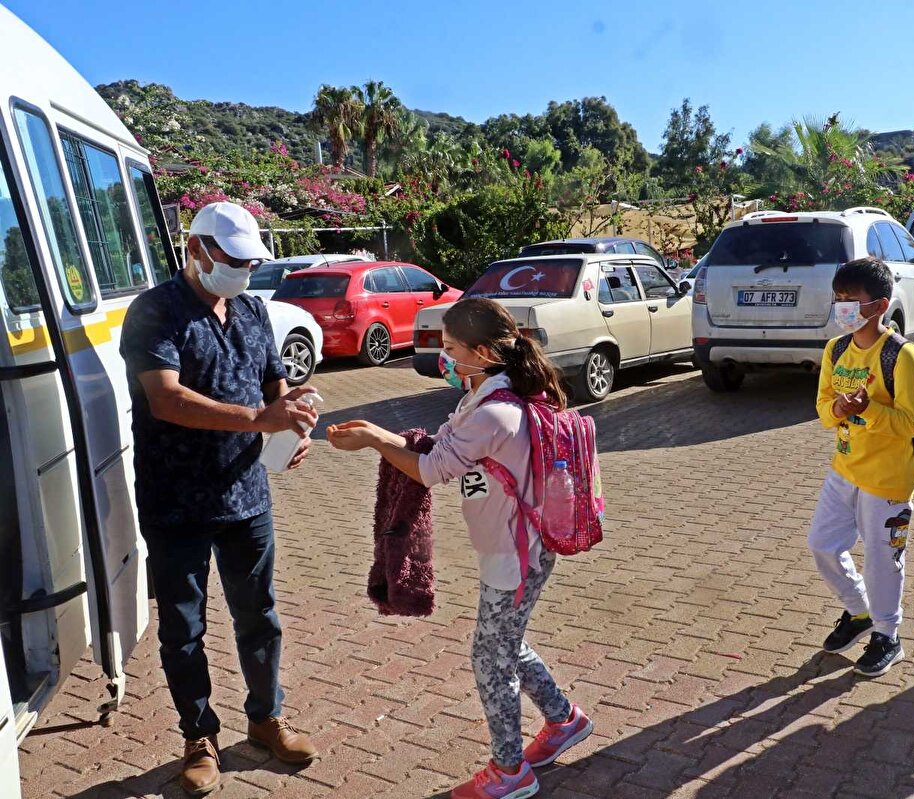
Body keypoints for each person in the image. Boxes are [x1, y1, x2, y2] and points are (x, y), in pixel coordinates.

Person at [328, 298, 592, 799]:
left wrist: (372, 442)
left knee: (490, 656)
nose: (444, 359)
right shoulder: (482, 399)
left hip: (517, 556)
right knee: (503, 643)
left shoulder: (495, 412)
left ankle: (510, 771)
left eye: (450, 349)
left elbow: (430, 470)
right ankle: (564, 720)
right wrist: (376, 432)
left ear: (483, 351)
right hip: (507, 549)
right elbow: (437, 447)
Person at [119, 202, 319, 796]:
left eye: (250, 262)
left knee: (259, 614)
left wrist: (289, 421)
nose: (242, 271)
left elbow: (272, 378)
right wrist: (261, 417)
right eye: (232, 261)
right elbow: (167, 400)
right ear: (196, 249)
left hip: (246, 495)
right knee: (183, 627)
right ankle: (198, 735)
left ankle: (265, 718)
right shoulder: (154, 312)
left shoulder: (254, 310)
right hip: (175, 499)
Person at [808, 257, 914, 677]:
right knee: (822, 545)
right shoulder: (836, 349)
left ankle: (887, 635)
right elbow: (824, 409)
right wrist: (839, 407)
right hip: (844, 468)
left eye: (850, 300)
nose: (842, 307)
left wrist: (868, 409)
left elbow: (911, 423)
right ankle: (858, 612)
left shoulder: (902, 355)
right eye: (837, 298)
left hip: (888, 478)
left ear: (878, 305)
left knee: (882, 560)